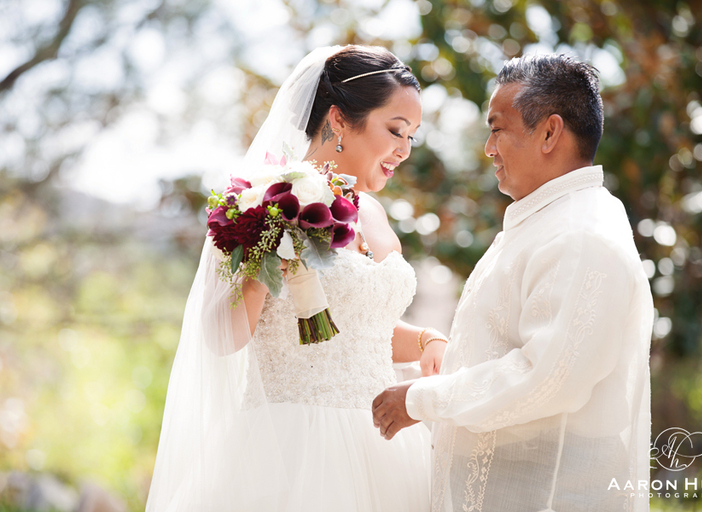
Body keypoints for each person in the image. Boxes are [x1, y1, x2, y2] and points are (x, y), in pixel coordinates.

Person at [146, 45, 448, 512]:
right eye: (395, 130)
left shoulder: (375, 214)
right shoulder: (264, 199)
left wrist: (427, 339)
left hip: (383, 443)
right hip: (290, 450)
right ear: (340, 119)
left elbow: (358, 330)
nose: (404, 150)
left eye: (411, 136)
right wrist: (265, 256)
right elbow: (222, 337)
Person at [372, 54, 654, 512]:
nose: (488, 148)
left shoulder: (582, 234)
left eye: (497, 128)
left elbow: (547, 378)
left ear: (550, 133)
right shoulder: (543, 223)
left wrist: (421, 400)